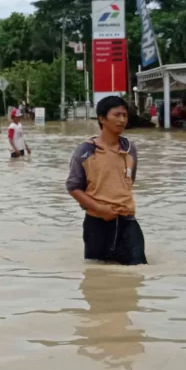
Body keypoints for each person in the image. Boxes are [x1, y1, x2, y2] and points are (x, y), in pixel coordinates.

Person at [65, 96, 145, 265]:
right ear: (102, 118)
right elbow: (73, 187)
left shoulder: (130, 149)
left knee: (137, 272)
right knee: (96, 275)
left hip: (128, 221)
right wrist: (100, 209)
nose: (122, 120)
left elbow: (129, 182)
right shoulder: (86, 151)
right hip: (97, 224)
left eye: (125, 115)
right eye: (117, 115)